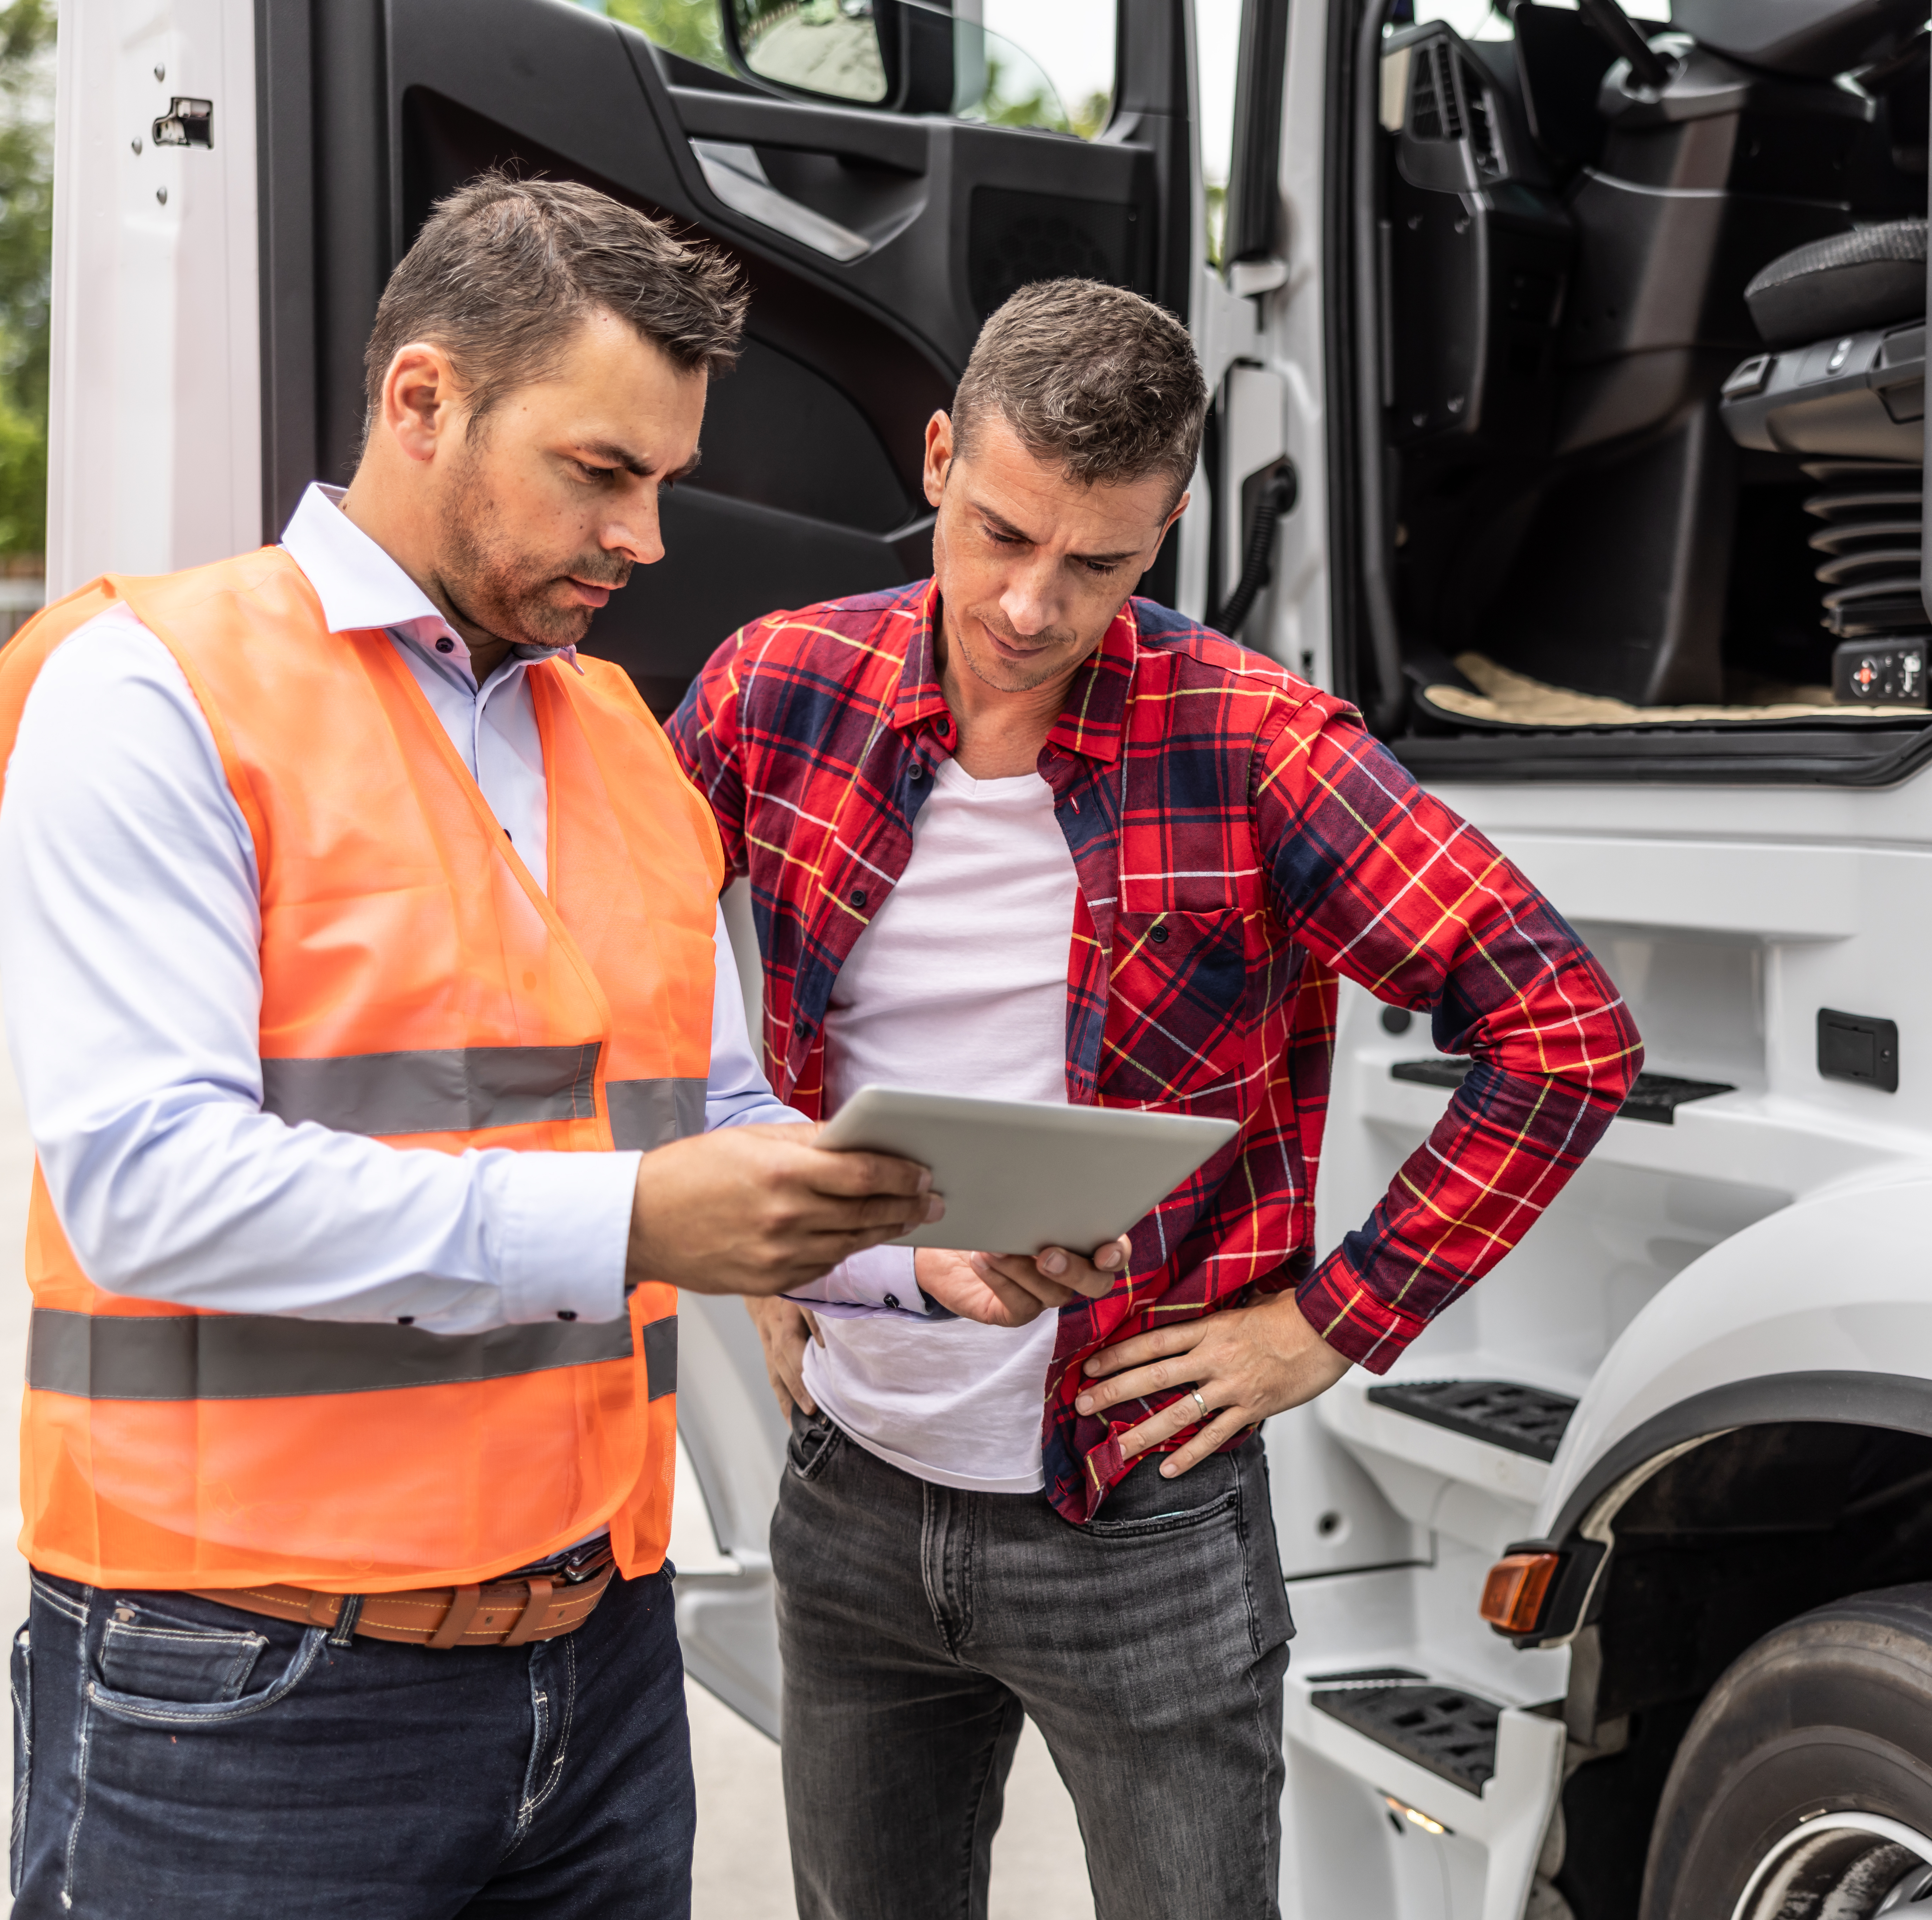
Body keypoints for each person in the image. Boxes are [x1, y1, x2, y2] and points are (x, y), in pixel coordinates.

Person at [0, 174, 961, 1919]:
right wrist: (634, 1223)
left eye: (661, 480)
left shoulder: (620, 733)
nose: (646, 537)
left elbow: (710, 1119)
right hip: (246, 1683)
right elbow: (146, 1187)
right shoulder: (148, 692)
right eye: (601, 471)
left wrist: (919, 1253)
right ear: (421, 401)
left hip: (597, 1668)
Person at [666, 276, 1644, 1920]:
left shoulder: (1262, 747)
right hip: (847, 1487)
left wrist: (1322, 1329)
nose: (1033, 605)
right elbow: (614, 942)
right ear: (933, 458)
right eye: (1000, 534)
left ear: (1170, 528)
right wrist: (772, 1239)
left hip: (1137, 1510)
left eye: (1098, 561)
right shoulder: (779, 684)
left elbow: (1560, 1028)